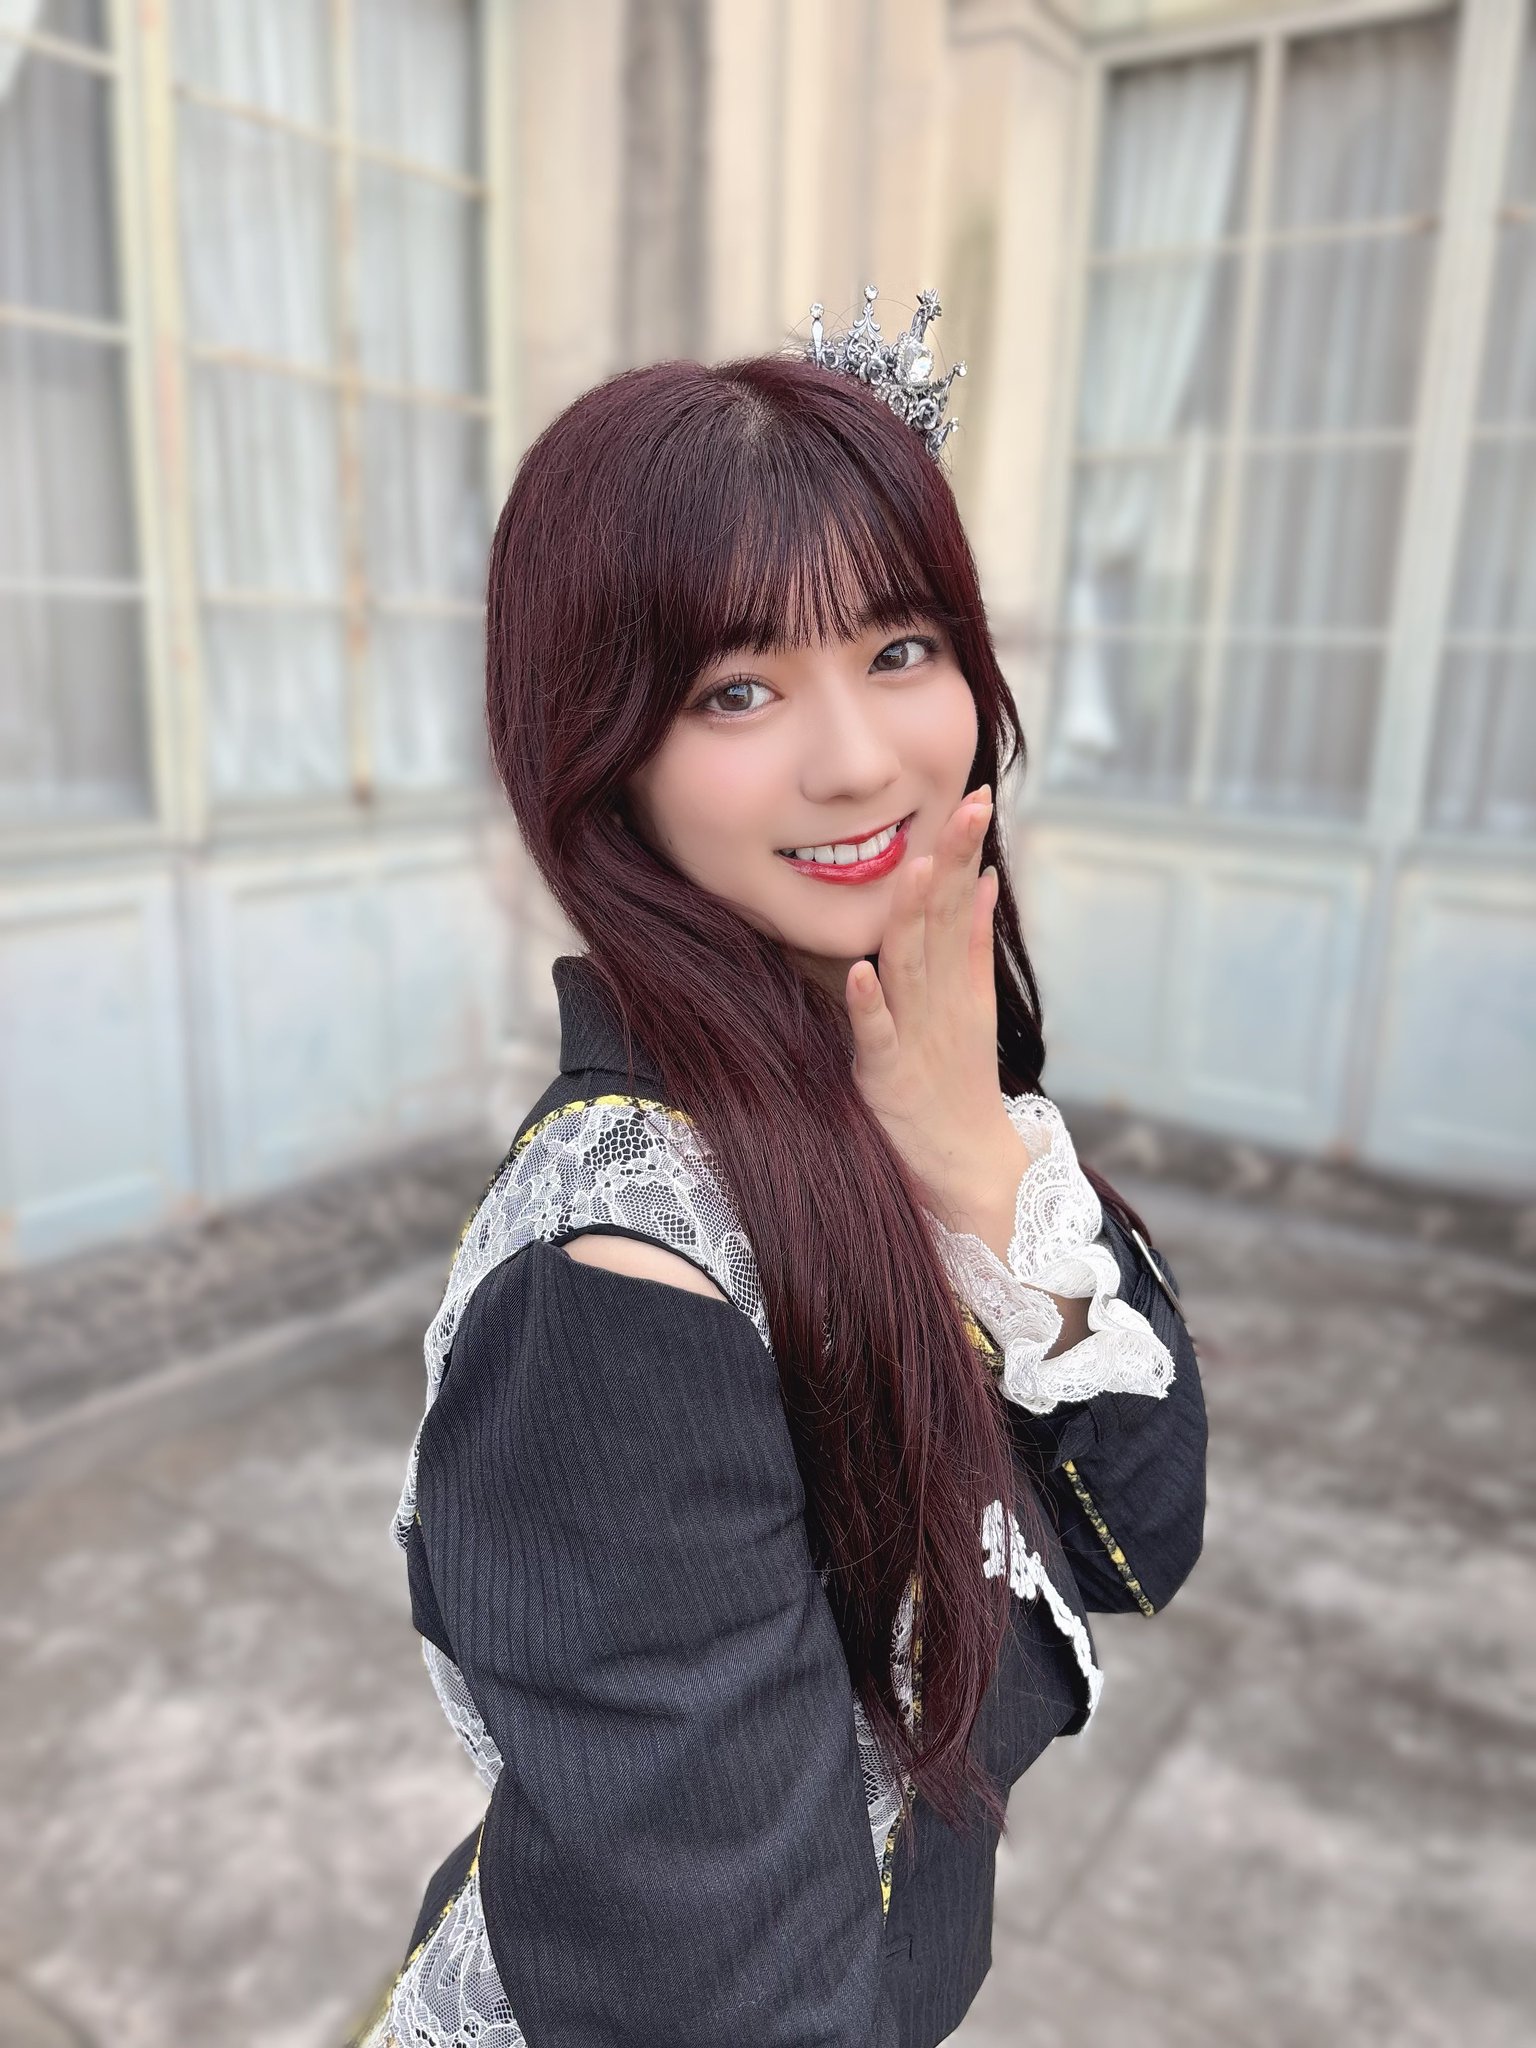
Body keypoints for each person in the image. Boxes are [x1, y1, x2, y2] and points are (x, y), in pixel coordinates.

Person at [352, 290, 1208, 2048]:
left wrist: (979, 1162)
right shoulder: (624, 1286)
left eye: (900, 650)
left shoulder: (905, 1061)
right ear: (604, 754)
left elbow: (1137, 1533)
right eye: (738, 689)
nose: (858, 760)